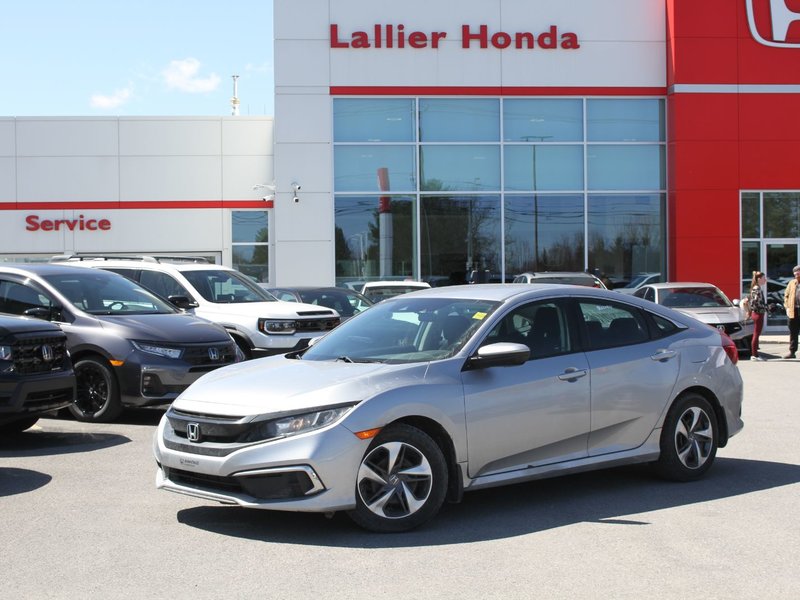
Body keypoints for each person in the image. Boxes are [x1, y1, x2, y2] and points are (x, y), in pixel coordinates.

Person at [748, 271, 767, 361]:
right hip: (758, 313)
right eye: (764, 278)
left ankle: (755, 354)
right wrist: (766, 307)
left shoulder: (756, 288)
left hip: (757, 313)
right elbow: (755, 302)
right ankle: (754, 355)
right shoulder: (757, 288)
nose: (765, 280)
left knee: (756, 333)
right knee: (756, 334)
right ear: (759, 279)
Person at [783, 265, 800, 359]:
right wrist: (787, 307)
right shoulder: (791, 283)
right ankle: (792, 352)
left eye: (798, 271)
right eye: (795, 272)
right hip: (794, 311)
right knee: (793, 332)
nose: (796, 273)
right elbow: (786, 296)